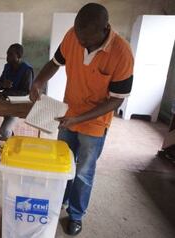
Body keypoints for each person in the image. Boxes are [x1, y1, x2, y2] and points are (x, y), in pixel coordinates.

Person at [30, 3, 134, 236]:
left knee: (83, 172)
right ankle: (60, 200)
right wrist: (38, 81)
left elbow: (116, 101)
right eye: (78, 36)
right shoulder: (73, 36)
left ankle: (76, 214)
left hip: (94, 124)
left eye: (86, 39)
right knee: (62, 163)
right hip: (69, 114)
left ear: (105, 29)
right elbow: (54, 63)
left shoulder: (122, 53)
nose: (81, 43)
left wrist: (79, 119)